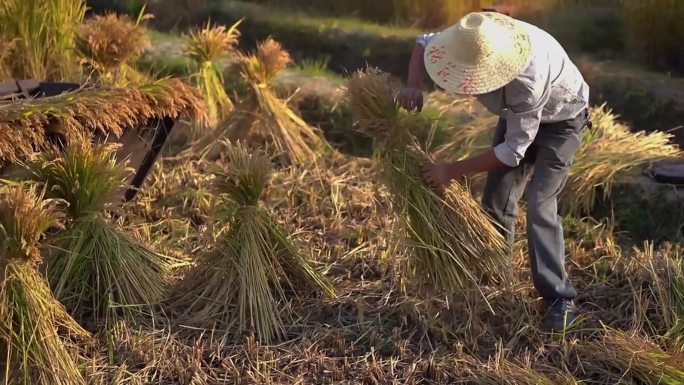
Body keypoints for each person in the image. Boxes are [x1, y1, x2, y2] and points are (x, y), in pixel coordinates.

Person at [399, 9, 591, 332]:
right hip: (517, 116)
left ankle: (559, 296)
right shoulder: (469, 38)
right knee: (497, 197)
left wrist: (451, 170)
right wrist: (413, 85)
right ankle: (495, 277)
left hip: (562, 122)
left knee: (540, 202)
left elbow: (513, 151)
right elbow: (423, 42)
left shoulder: (526, 78)